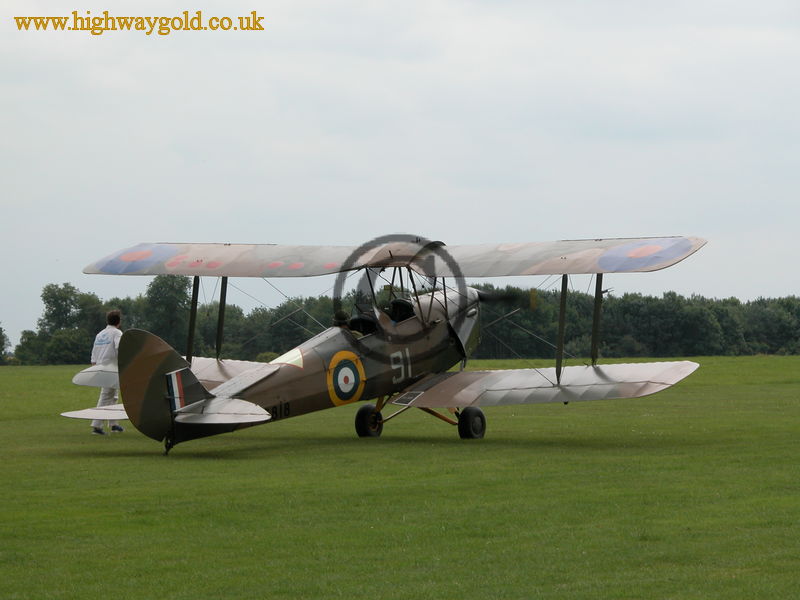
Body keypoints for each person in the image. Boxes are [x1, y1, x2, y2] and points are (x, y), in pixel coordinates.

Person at [90, 310, 124, 435]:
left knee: (113, 396)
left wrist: (94, 365)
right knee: (105, 396)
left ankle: (114, 424)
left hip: (100, 367)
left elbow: (94, 352)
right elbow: (120, 348)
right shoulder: (117, 333)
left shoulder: (100, 334)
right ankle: (97, 426)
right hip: (112, 368)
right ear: (118, 322)